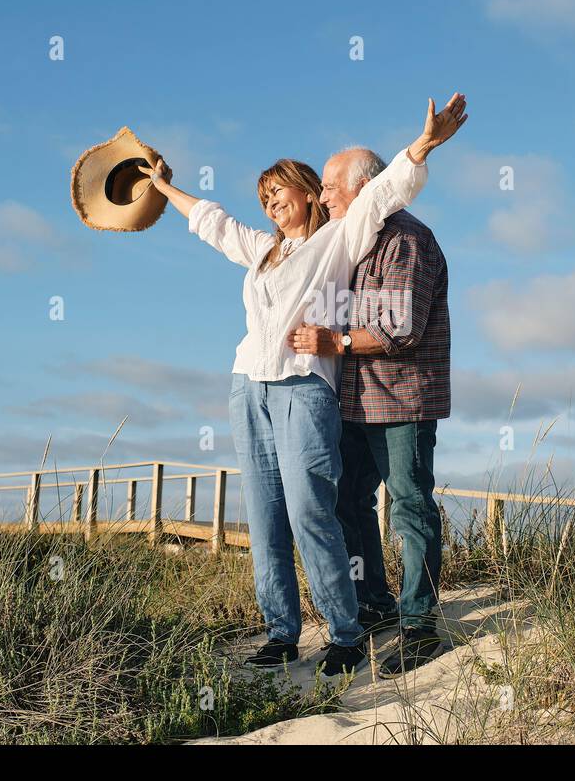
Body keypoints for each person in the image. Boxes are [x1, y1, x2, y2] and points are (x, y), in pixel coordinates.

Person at [146, 94, 467, 677]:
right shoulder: (263, 251)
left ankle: (347, 632)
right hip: (249, 385)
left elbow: (385, 190)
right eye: (264, 195)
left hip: (306, 388)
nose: (272, 201)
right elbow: (212, 224)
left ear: (309, 191)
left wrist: (422, 146)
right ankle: (282, 631)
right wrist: (163, 187)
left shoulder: (339, 240)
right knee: (267, 516)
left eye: (283, 189)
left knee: (310, 510)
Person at [287, 140, 453, 678]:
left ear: (363, 189)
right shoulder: (350, 242)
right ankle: (375, 602)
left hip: (403, 399)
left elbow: (400, 329)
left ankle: (420, 625)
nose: (323, 196)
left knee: (408, 506)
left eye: (331, 187)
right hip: (355, 400)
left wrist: (331, 342)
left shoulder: (408, 240)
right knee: (349, 502)